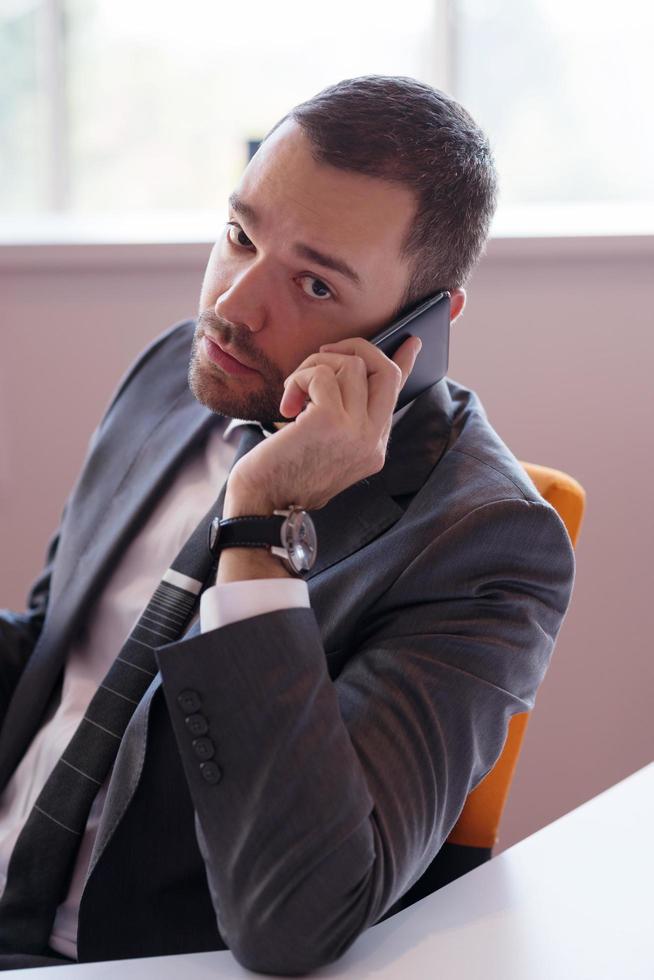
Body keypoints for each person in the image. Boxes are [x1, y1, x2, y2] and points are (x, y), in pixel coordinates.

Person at [0, 75, 575, 974]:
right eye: (240, 236)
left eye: (313, 282)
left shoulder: (486, 544)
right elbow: (57, 655)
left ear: (422, 323)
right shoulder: (174, 375)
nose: (234, 306)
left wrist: (259, 529)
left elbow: (299, 916)